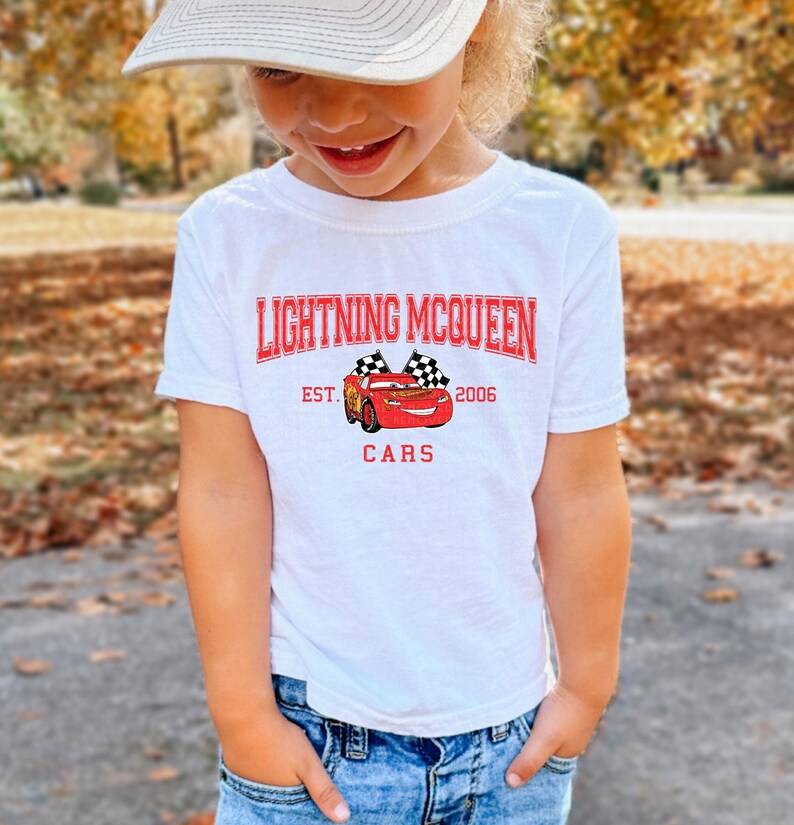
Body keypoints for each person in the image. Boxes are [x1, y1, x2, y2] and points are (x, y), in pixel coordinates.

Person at [121, 1, 632, 823]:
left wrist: (586, 683)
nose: (335, 112)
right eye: (281, 69)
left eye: (378, 60)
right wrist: (243, 714)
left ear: (479, 23)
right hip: (307, 739)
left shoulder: (560, 231)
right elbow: (220, 491)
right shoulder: (228, 237)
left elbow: (579, 488)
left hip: (509, 745)